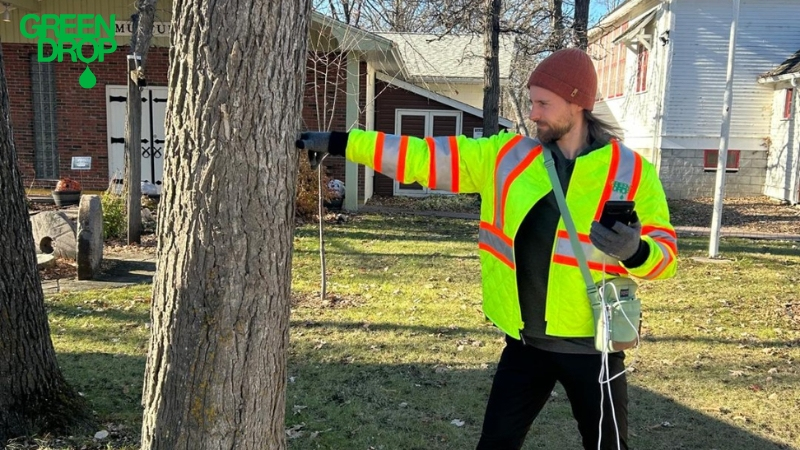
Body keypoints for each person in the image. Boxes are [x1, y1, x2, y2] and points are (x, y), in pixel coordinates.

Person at [296, 48, 677, 450]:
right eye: (532, 102)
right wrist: (341, 141)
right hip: (526, 344)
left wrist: (635, 251)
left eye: (544, 103)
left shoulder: (632, 171)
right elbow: (422, 157)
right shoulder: (507, 157)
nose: (533, 113)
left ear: (578, 103)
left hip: (594, 347)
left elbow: (666, 258)